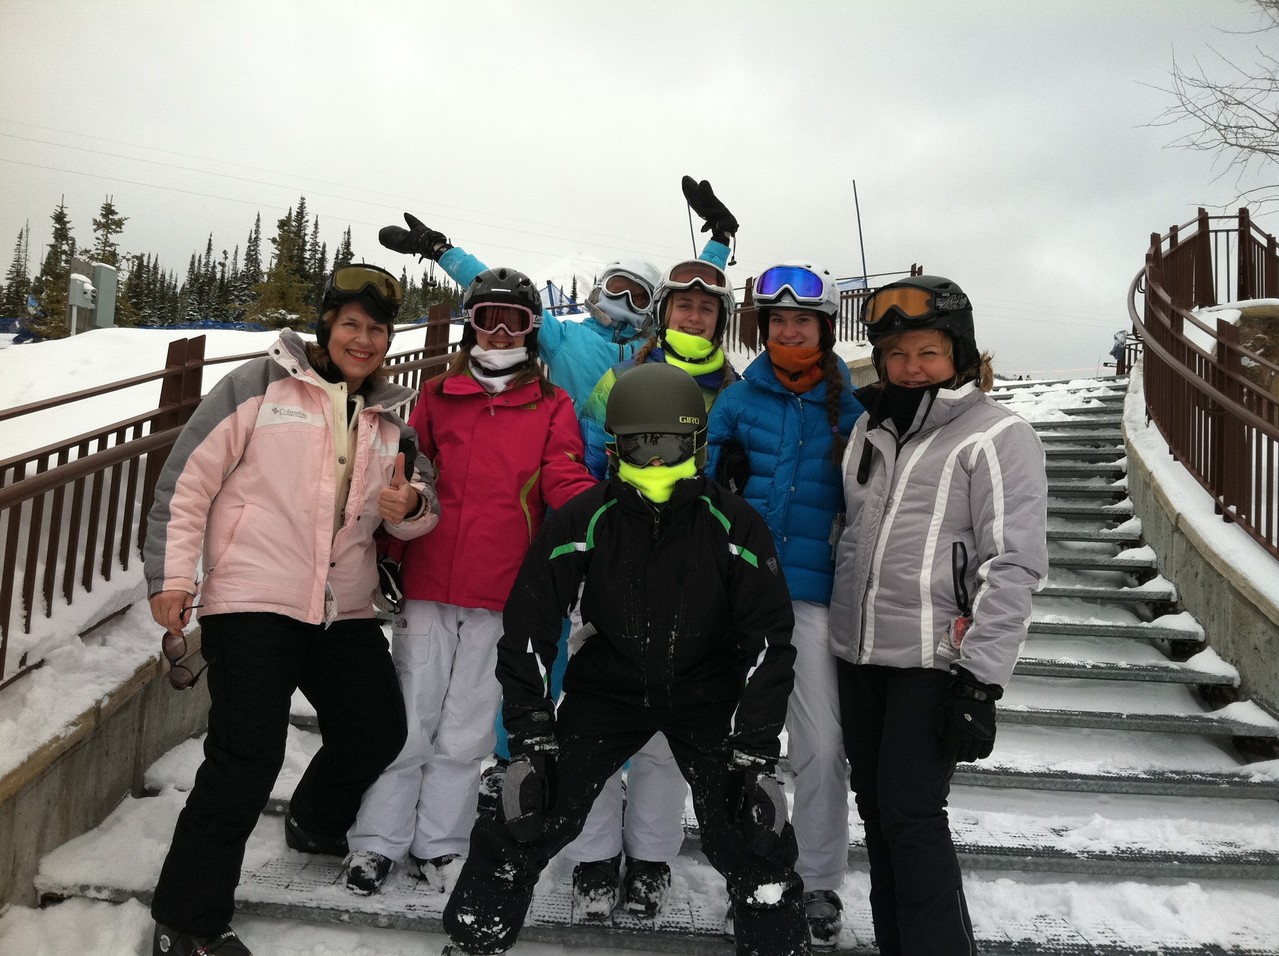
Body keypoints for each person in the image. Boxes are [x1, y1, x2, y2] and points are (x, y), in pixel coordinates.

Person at [440, 362, 809, 956]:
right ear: (616, 447)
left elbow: (770, 640)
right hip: (607, 687)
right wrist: (531, 732)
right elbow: (531, 625)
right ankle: (473, 937)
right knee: (530, 806)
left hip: (704, 690)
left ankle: (774, 939)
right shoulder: (586, 518)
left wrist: (755, 746)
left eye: (669, 443)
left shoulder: (734, 524)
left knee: (751, 823)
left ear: (696, 443)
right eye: (641, 443)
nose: (656, 460)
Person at [143, 264, 440, 956]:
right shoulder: (256, 386)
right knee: (245, 758)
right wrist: (170, 575)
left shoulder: (392, 417)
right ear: (325, 328)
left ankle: (313, 818)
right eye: (350, 325)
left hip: (344, 606)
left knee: (374, 730)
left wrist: (412, 509)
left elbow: (418, 511)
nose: (362, 340)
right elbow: (186, 482)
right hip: (252, 597)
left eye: (375, 330)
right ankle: (186, 923)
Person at [342, 267, 595, 897]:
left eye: (516, 320)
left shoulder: (551, 404)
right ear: (470, 325)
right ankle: (377, 841)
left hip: (505, 589)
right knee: (410, 716)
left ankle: (441, 842)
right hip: (428, 578)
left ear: (534, 331)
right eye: (489, 318)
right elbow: (402, 471)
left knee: (468, 726)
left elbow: (562, 475)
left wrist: (594, 520)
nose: (502, 332)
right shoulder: (435, 396)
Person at [827, 275, 1049, 956]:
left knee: (912, 815)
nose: (910, 367)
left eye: (926, 351)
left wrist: (979, 682)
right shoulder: (870, 427)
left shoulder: (996, 436)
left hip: (931, 663)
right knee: (877, 812)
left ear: (958, 352)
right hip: (857, 657)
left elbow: (1013, 563)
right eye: (896, 354)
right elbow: (851, 531)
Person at [566, 255, 740, 918]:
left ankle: (650, 859)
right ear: (664, 312)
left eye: (705, 308)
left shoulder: (733, 388)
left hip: (693, 573)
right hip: (614, 562)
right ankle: (591, 855)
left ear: (718, 320)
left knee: (669, 733)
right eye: (682, 306)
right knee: (595, 719)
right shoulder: (623, 375)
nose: (692, 316)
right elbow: (585, 456)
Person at [706, 261, 863, 951]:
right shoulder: (736, 401)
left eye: (801, 321)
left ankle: (821, 878)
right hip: (737, 599)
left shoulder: (850, 411)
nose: (788, 330)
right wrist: (720, 481)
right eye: (777, 321)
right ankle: (752, 874)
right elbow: (695, 488)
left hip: (811, 599)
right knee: (737, 749)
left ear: (824, 329)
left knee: (823, 747)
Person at [377, 174, 736, 409]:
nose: (625, 302)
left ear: (654, 306)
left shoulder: (656, 346)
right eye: (617, 288)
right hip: (577, 462)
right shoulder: (568, 339)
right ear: (600, 289)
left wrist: (720, 239)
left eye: (638, 296)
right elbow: (502, 290)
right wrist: (441, 250)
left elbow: (694, 294)